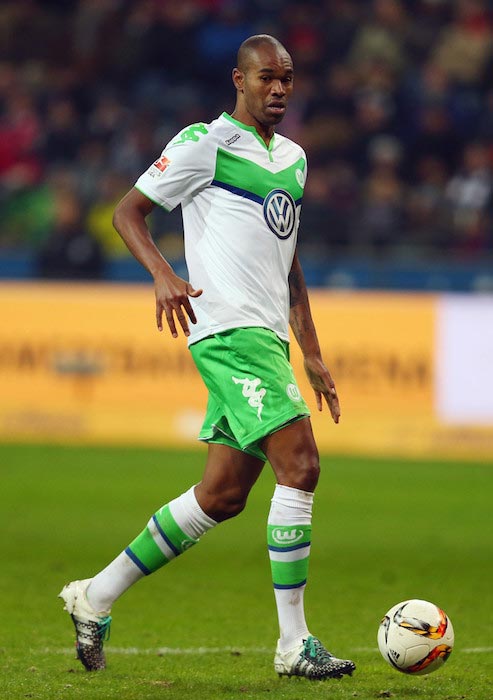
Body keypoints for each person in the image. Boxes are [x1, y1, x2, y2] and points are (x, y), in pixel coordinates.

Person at [59, 34, 356, 682]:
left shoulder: (296, 161)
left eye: (287, 78)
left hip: (267, 338)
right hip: (225, 333)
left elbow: (290, 263)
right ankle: (292, 644)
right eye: (265, 78)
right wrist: (163, 274)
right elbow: (128, 212)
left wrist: (310, 351)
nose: (278, 88)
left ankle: (94, 595)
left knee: (222, 496)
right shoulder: (204, 143)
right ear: (238, 80)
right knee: (300, 466)